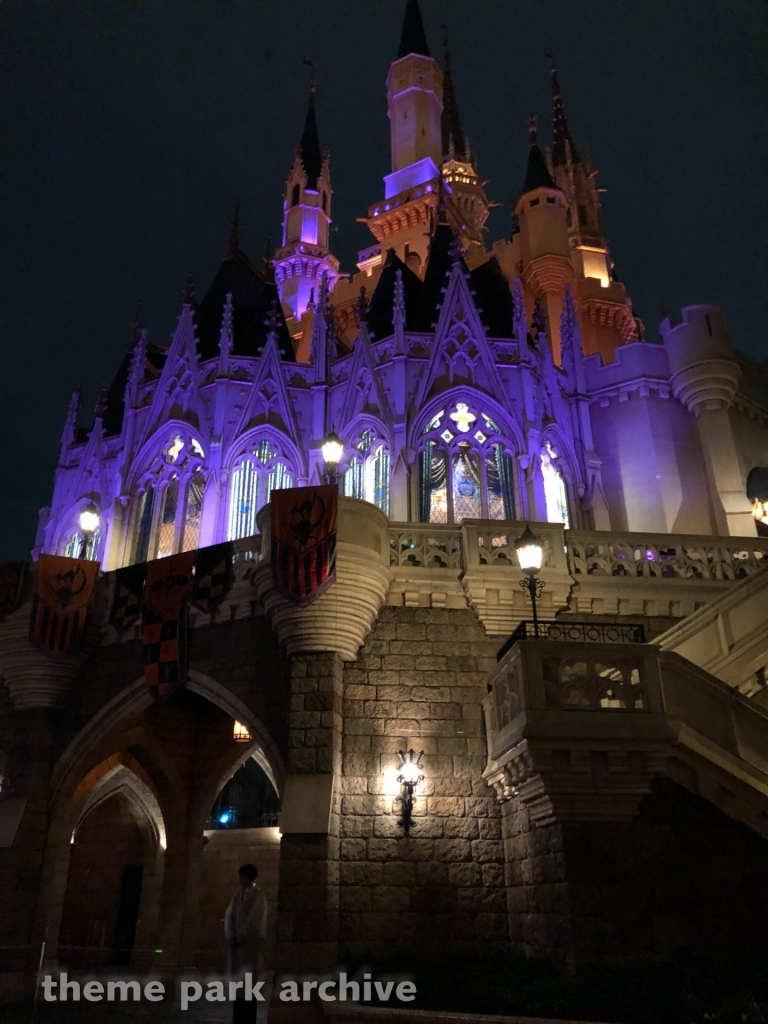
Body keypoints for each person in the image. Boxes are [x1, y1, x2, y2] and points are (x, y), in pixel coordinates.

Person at [224, 863, 268, 1024]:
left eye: (243, 875)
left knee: (249, 984)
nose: (240, 878)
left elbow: (255, 920)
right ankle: (238, 1016)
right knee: (238, 985)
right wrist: (231, 935)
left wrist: (243, 936)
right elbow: (230, 915)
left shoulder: (258, 895)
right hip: (238, 946)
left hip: (249, 948)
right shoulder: (238, 895)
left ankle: (248, 1018)